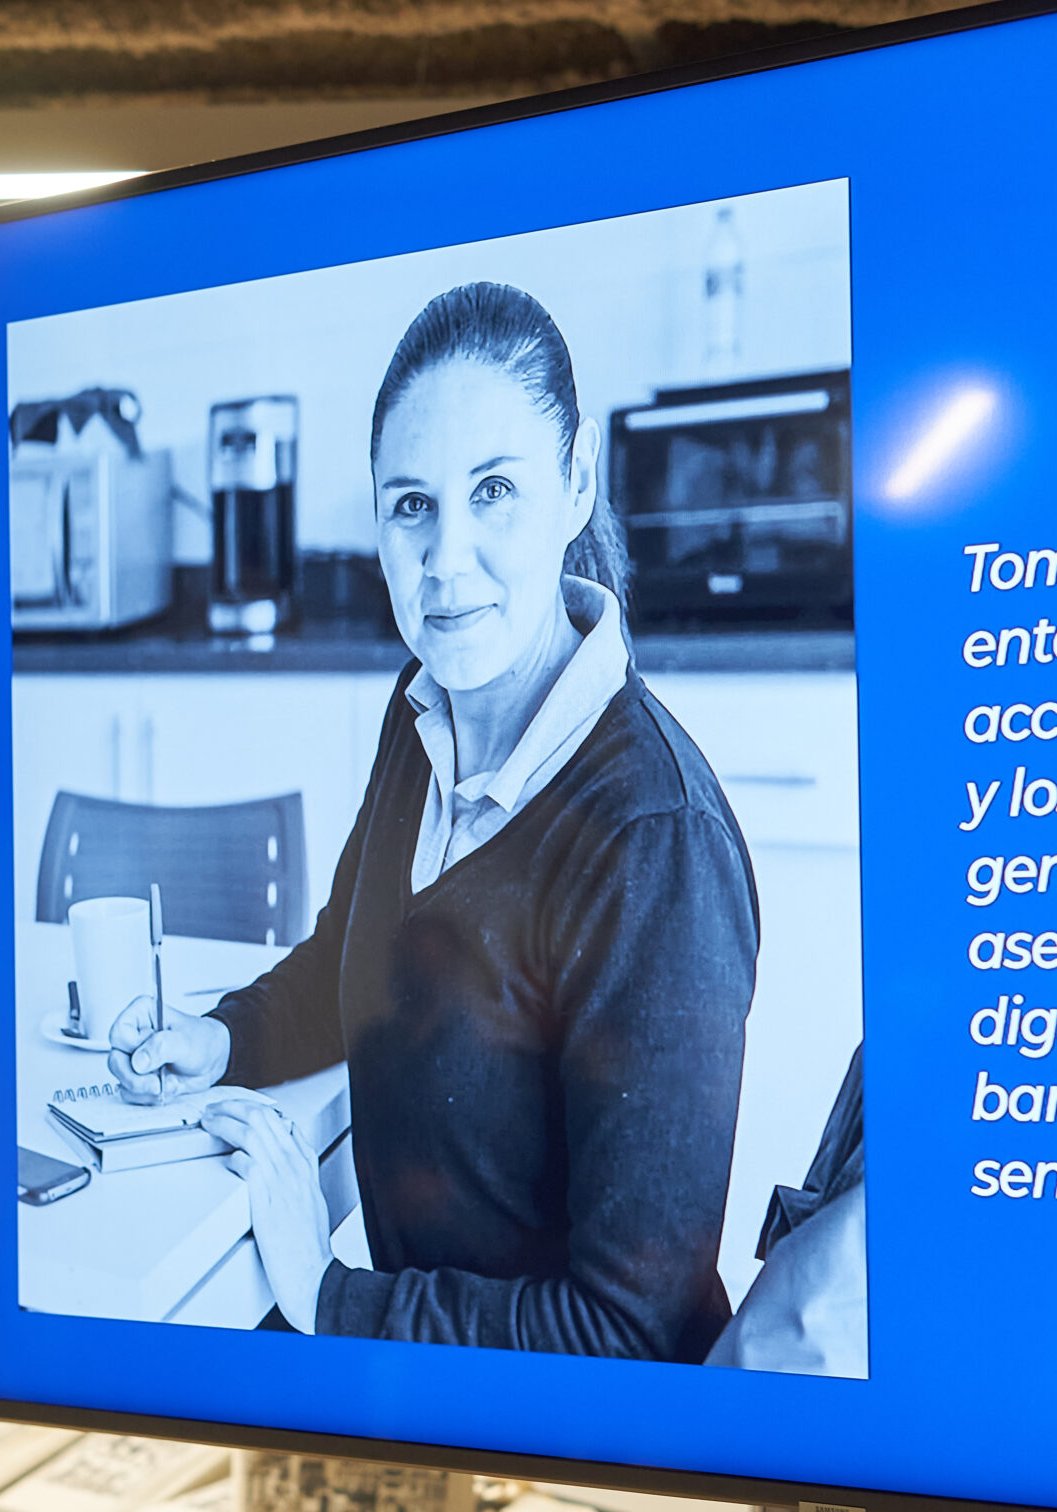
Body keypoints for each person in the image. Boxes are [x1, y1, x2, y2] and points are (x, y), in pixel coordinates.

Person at [110, 281, 759, 1362]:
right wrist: (223, 1037)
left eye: (493, 490)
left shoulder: (655, 838)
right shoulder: (424, 712)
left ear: (576, 482)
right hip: (420, 1370)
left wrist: (331, 1296)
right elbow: (359, 962)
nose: (445, 562)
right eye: (411, 505)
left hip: (562, 1432)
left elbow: (625, 1331)